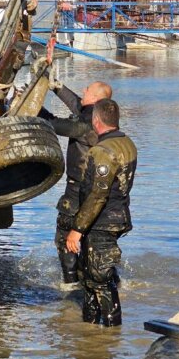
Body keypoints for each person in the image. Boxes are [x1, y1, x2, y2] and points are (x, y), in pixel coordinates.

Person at [65, 98, 137, 326]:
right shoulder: (127, 143)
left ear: (96, 121)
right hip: (115, 217)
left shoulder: (102, 151)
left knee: (99, 278)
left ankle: (109, 338)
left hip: (101, 222)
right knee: (89, 278)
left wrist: (77, 229)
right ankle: (91, 333)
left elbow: (97, 195)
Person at [40, 81, 112, 285]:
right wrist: (57, 87)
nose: (83, 90)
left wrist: (36, 108)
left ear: (96, 99)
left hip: (79, 189)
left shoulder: (87, 124)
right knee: (91, 238)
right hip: (95, 188)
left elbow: (55, 124)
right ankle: (97, 277)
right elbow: (78, 104)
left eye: (87, 89)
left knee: (65, 237)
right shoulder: (100, 116)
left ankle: (70, 284)